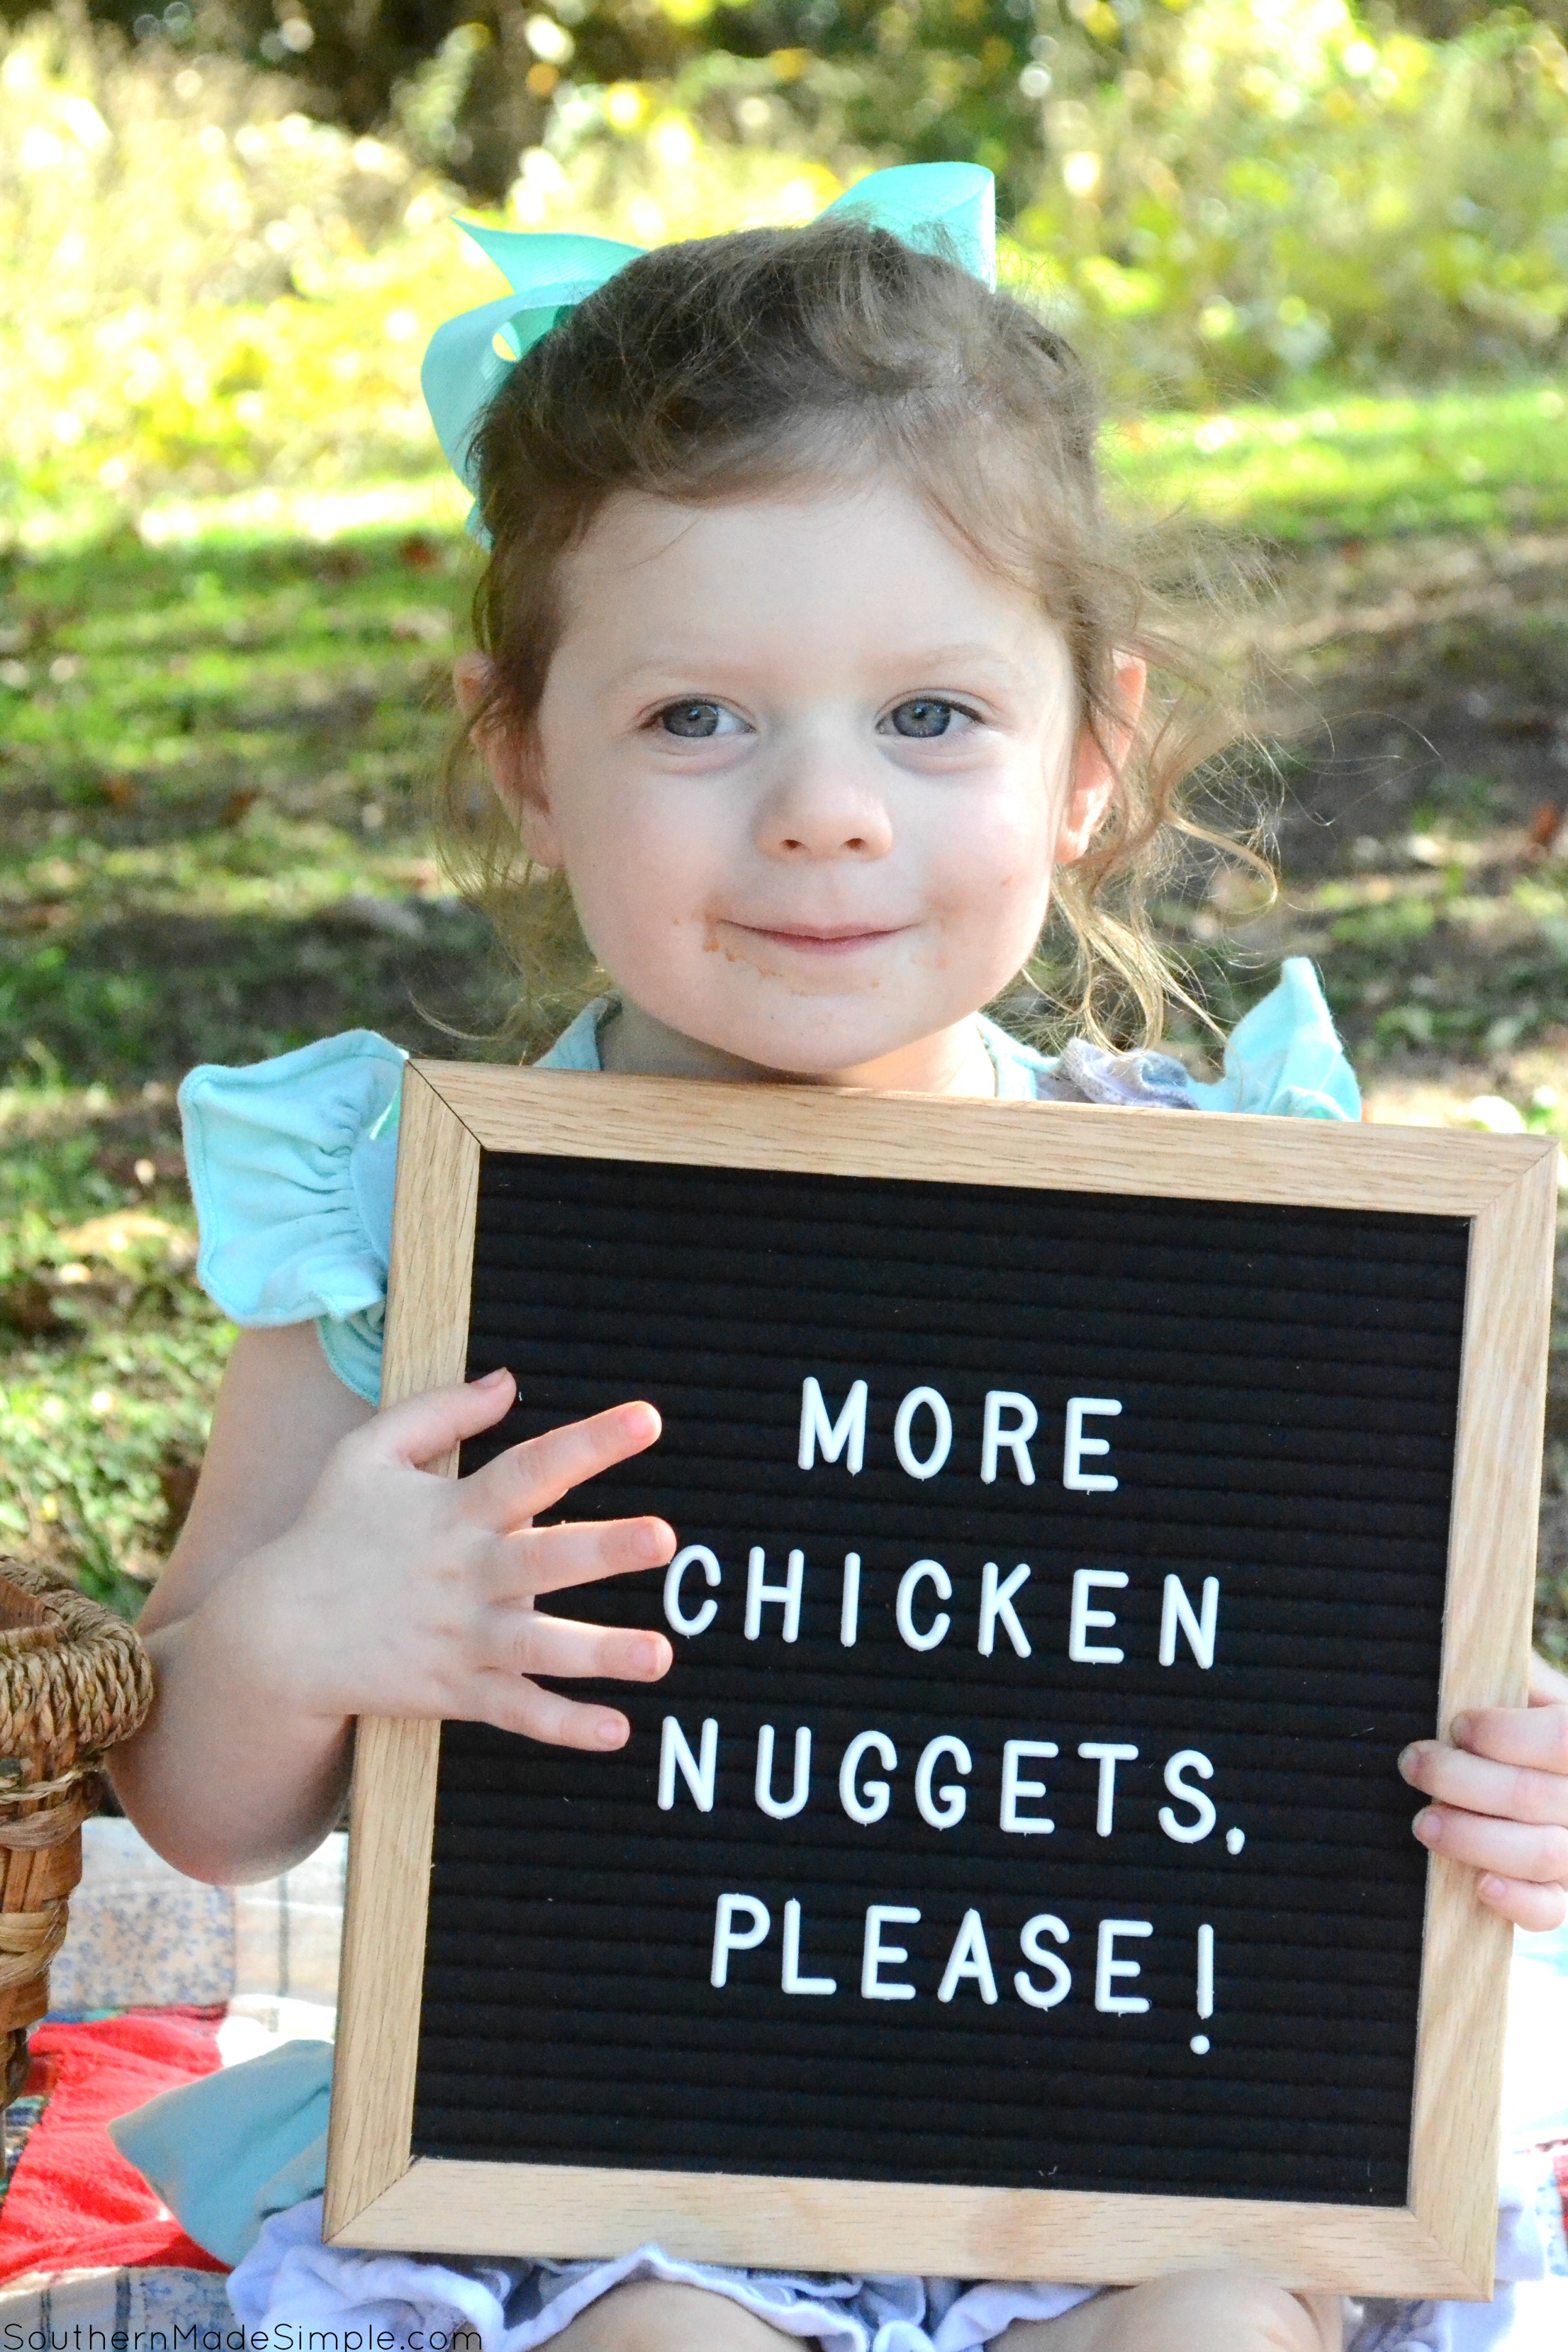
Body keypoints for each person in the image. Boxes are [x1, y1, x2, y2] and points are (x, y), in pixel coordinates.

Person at [110, 165, 1568, 2352]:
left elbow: (1354, 1719)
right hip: (602, 2158)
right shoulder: (408, 1238)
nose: (823, 810)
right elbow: (199, 1812)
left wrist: (1508, 1783)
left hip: (1127, 2150)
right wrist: (309, 1629)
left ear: (1090, 759)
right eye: (697, 718)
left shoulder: (1246, 1237)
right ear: (525, 760)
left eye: (930, 718)